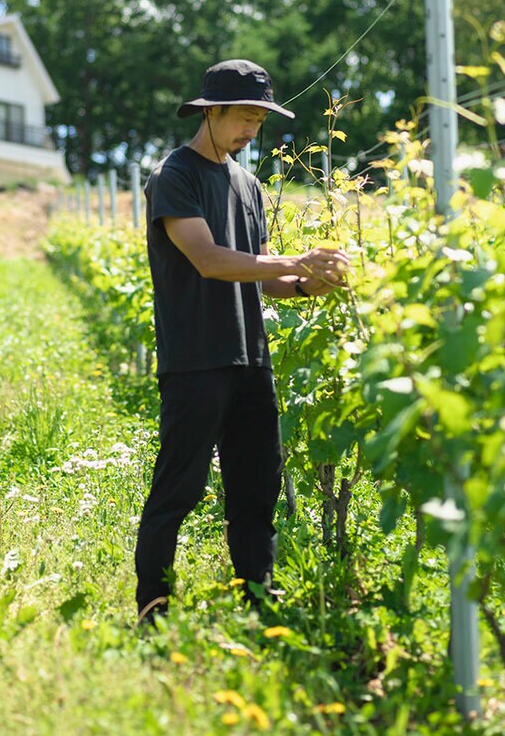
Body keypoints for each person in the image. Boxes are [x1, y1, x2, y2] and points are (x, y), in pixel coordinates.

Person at [134, 58, 350, 624]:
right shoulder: (173, 176)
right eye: (245, 117)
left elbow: (260, 273)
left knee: (257, 489)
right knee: (178, 490)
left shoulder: (247, 184)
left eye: (260, 119)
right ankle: (152, 608)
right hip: (196, 357)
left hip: (250, 357)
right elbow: (209, 260)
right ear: (211, 112)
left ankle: (259, 599)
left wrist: (307, 283)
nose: (253, 130)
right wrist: (296, 257)